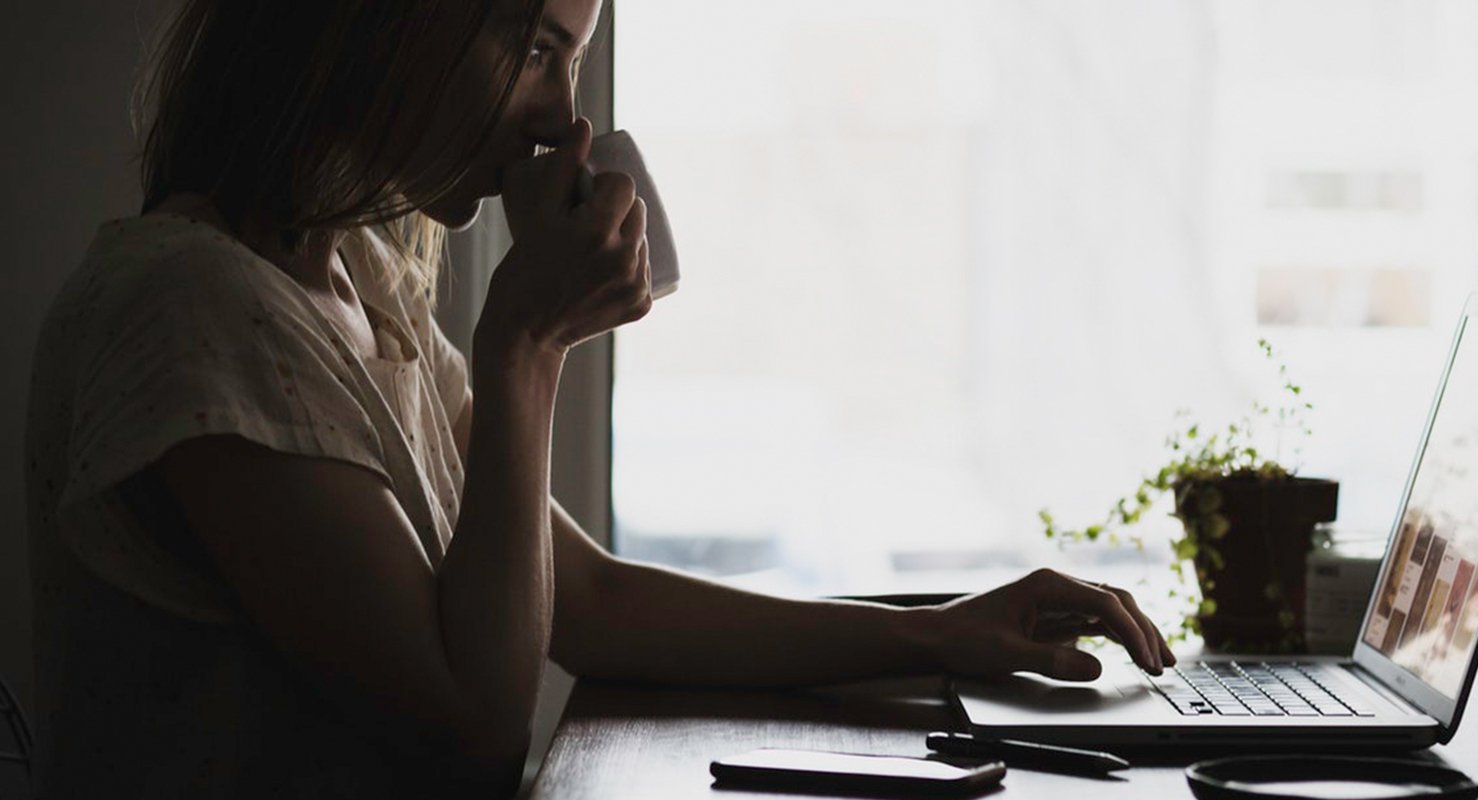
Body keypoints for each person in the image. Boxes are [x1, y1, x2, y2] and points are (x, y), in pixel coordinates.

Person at [23, 0, 1174, 795]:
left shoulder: (356, 287)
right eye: (534, 46)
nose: (562, 117)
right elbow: (469, 727)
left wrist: (945, 631)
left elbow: (585, 596)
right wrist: (529, 338)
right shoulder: (193, 307)